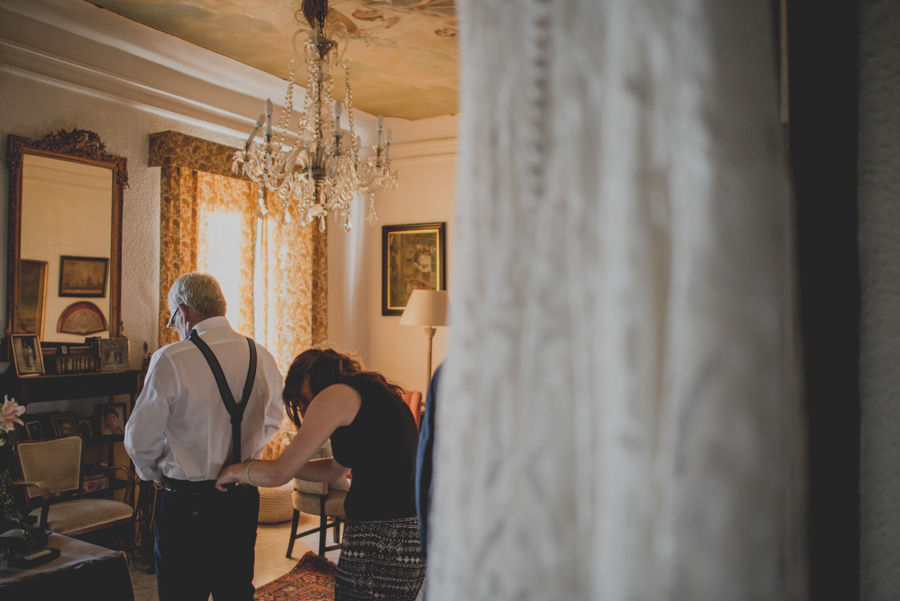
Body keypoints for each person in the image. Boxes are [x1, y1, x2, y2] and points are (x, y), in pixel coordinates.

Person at [216, 347, 426, 601]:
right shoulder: (372, 392)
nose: (303, 409)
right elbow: (334, 469)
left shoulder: (336, 395)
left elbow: (277, 475)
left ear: (309, 378)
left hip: (380, 537)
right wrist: (278, 465)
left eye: (300, 399)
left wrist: (233, 470)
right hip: (409, 533)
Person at [125, 273, 284, 601]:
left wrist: (157, 475)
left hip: (187, 503)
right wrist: (245, 456)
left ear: (182, 312)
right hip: (241, 498)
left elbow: (139, 439)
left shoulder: (171, 359)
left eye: (172, 320)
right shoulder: (262, 355)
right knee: (236, 590)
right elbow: (273, 419)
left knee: (182, 593)